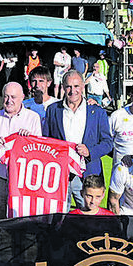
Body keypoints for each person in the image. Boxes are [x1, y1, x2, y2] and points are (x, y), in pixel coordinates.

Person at [44, 71, 114, 203]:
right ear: (63, 87)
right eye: (69, 86)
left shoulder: (97, 112)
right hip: (60, 174)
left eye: (76, 86)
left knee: (87, 220)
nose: (72, 91)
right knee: (59, 218)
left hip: (88, 175)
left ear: (83, 86)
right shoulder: (53, 110)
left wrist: (90, 152)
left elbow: (108, 143)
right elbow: (46, 141)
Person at [0, 82, 44, 220]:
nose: (9, 101)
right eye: (6, 96)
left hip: (23, 180)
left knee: (21, 219)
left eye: (13, 97)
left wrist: (29, 140)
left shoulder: (33, 118)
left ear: (22, 97)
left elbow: (39, 153)